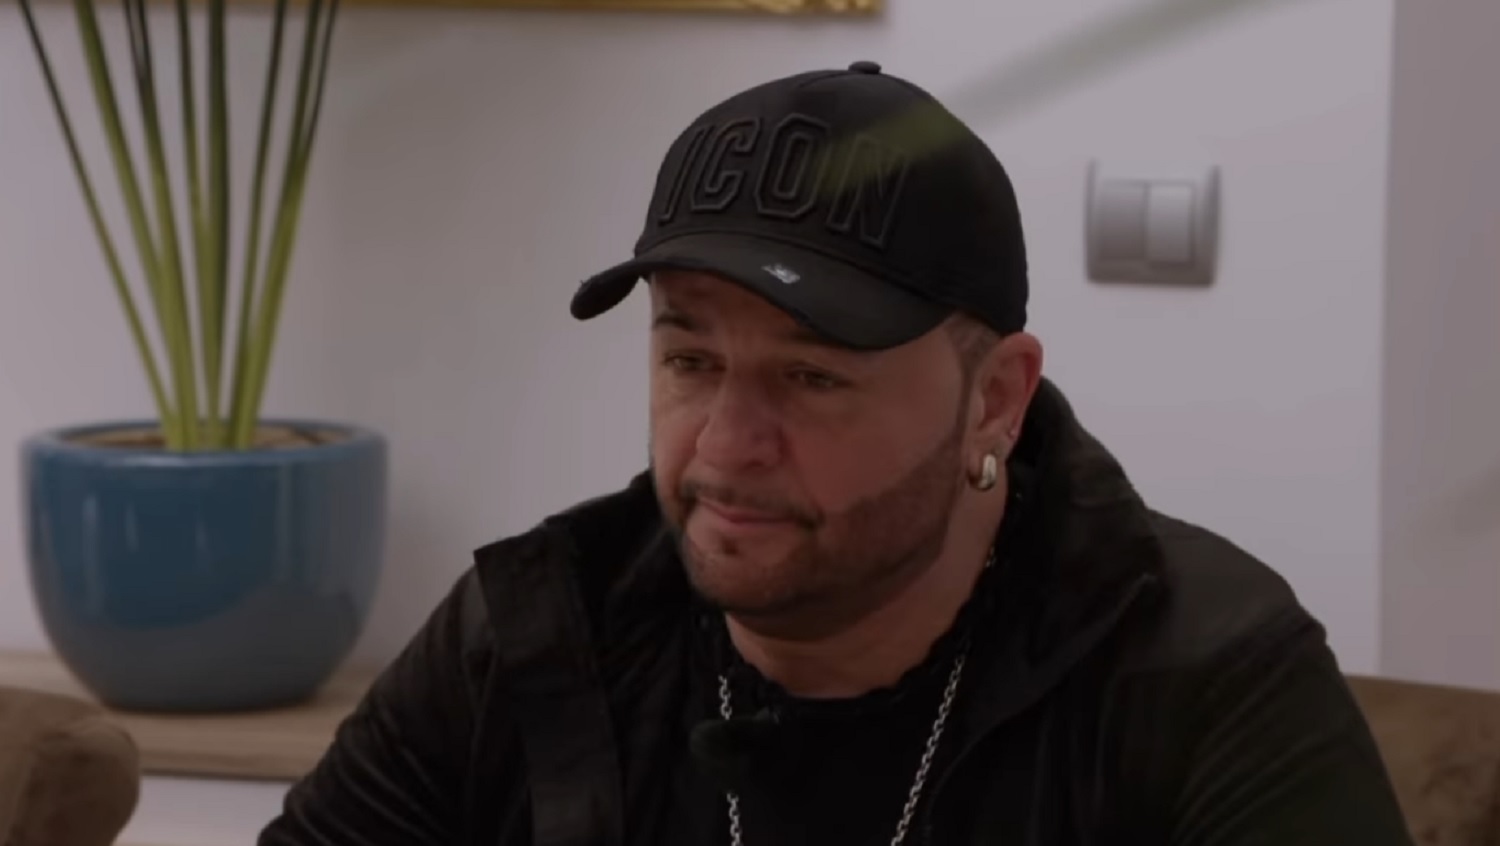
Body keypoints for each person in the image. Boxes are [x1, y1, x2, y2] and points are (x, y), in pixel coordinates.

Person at [258, 61, 1413, 846]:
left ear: (994, 400)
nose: (725, 448)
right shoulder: (533, 635)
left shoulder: (1200, 677)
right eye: (690, 360)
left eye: (812, 378)